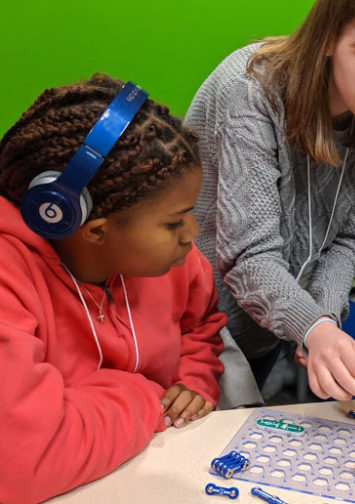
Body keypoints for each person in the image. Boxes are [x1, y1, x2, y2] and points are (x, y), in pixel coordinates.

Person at [185, 0, 355, 401]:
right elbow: (248, 255)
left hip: (268, 329)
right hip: (194, 330)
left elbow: (348, 239)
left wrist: (321, 319)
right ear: (327, 38)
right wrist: (313, 327)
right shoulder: (249, 88)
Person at [0, 74, 225, 503]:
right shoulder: (8, 276)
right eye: (173, 222)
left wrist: (194, 378)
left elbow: (202, 327)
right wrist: (141, 393)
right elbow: (21, 463)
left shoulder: (179, 263)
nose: (192, 233)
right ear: (95, 231)